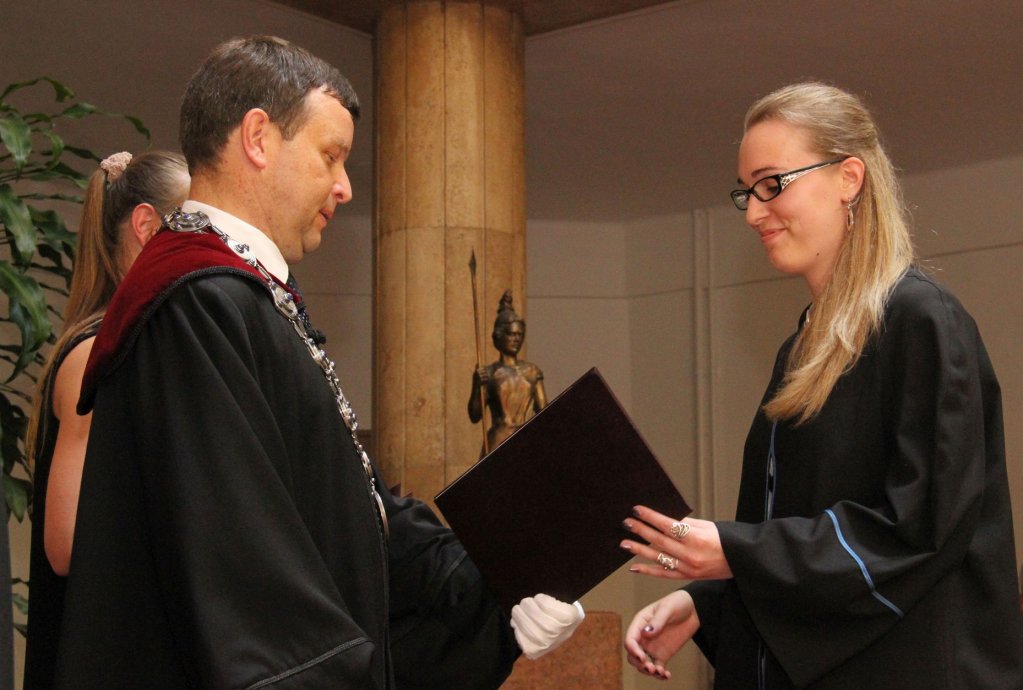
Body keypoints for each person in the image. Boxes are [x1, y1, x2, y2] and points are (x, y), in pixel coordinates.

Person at [52, 36, 580, 689]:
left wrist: (500, 589)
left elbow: (355, 509)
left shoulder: (245, 298)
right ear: (257, 138)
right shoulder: (197, 306)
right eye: (331, 155)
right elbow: (246, 572)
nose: (345, 187)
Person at [620, 82, 1023, 688]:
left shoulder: (921, 320)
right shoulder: (805, 345)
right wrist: (707, 599)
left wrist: (736, 553)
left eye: (772, 183)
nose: (754, 213)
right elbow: (799, 523)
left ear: (849, 179)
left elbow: (919, 529)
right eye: (746, 191)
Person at [23, 150, 189, 690]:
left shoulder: (132, 345)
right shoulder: (91, 355)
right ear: (147, 227)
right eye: (194, 225)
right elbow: (66, 544)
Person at [468, 290, 547, 454]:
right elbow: (475, 415)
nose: (516, 339)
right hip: (498, 442)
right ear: (499, 336)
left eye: (519, 335)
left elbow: (545, 413)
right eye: (511, 334)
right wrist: (476, 386)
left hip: (524, 441)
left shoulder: (532, 372)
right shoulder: (489, 373)